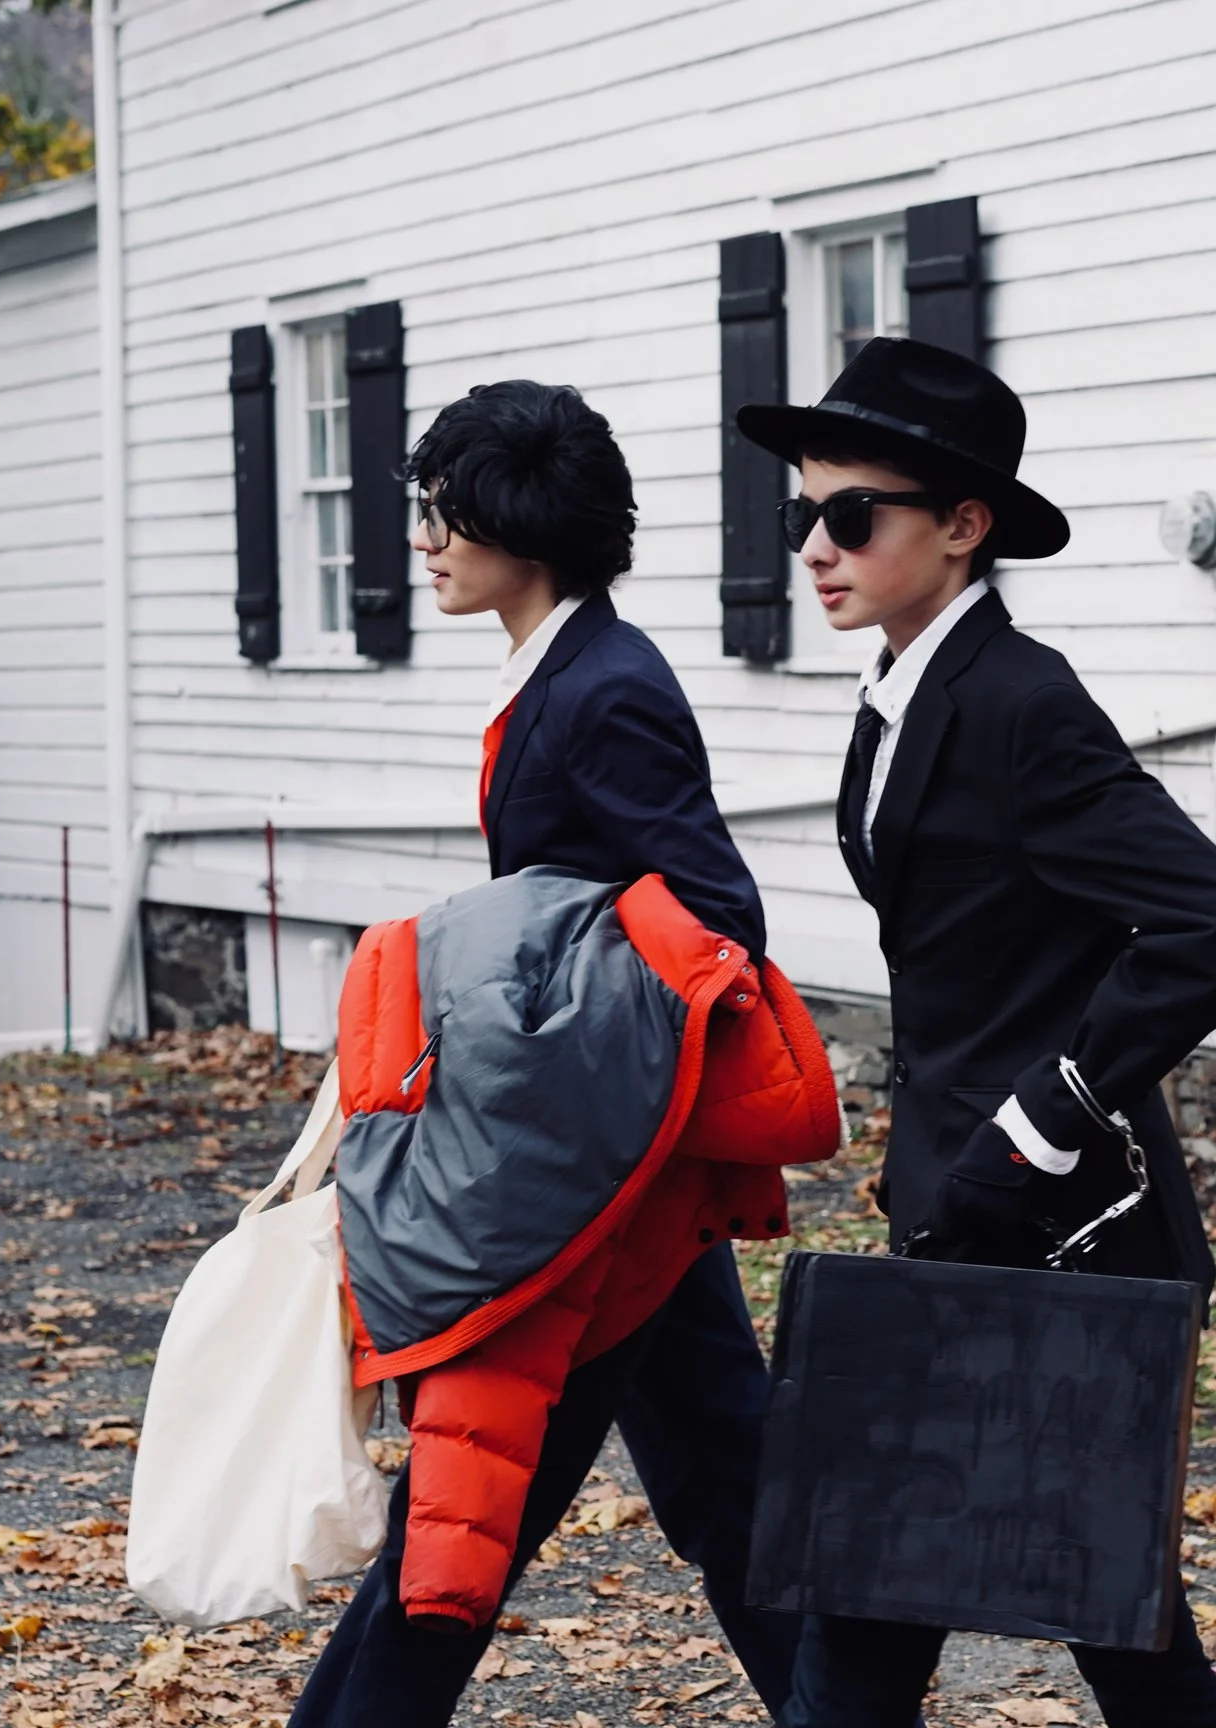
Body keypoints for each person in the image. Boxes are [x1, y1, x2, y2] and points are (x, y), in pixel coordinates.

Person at [734, 337, 1216, 1728]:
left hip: (1069, 1236)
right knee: (892, 1601)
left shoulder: (1020, 702)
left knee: (1104, 1615)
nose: (817, 544)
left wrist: (1041, 1120)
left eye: (852, 514)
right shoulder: (899, 694)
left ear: (963, 525)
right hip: (956, 1213)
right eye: (804, 512)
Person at [290, 379, 803, 1726]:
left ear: (527, 520)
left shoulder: (605, 690)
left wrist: (512, 1009)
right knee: (729, 1490)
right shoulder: (559, 671)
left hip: (591, 1188)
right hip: (614, 1173)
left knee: (467, 1513)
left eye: (447, 511)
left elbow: (716, 921)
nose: (425, 540)